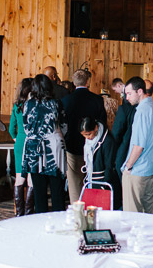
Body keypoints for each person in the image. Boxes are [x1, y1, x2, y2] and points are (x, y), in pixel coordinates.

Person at [21, 74, 67, 213]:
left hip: (33, 147)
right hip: (53, 146)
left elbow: (25, 126)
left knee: (39, 191)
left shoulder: (28, 104)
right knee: (57, 189)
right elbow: (65, 126)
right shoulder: (56, 103)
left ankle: (40, 220)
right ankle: (58, 219)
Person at [60, 69, 107, 204]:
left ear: (74, 83)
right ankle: (92, 205)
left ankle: (77, 206)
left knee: (74, 180)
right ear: (88, 81)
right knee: (92, 177)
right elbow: (102, 123)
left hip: (71, 145)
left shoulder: (65, 101)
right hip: (93, 145)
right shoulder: (97, 99)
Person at [121, 76, 153, 213]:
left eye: (129, 93)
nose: (127, 98)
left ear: (140, 91)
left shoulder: (142, 111)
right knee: (149, 213)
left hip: (138, 170)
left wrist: (128, 166)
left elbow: (139, 145)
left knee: (132, 214)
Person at [80, 116, 121, 209]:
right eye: (84, 135)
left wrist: (104, 187)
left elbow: (109, 166)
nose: (87, 137)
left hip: (103, 182)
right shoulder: (89, 141)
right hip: (92, 180)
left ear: (96, 128)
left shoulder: (108, 141)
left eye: (88, 134)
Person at [9, 77, 34, 216]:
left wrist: (18, 139)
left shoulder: (17, 106)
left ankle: (19, 212)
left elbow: (11, 129)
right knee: (31, 177)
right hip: (31, 142)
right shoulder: (34, 106)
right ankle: (29, 212)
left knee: (19, 177)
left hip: (19, 143)